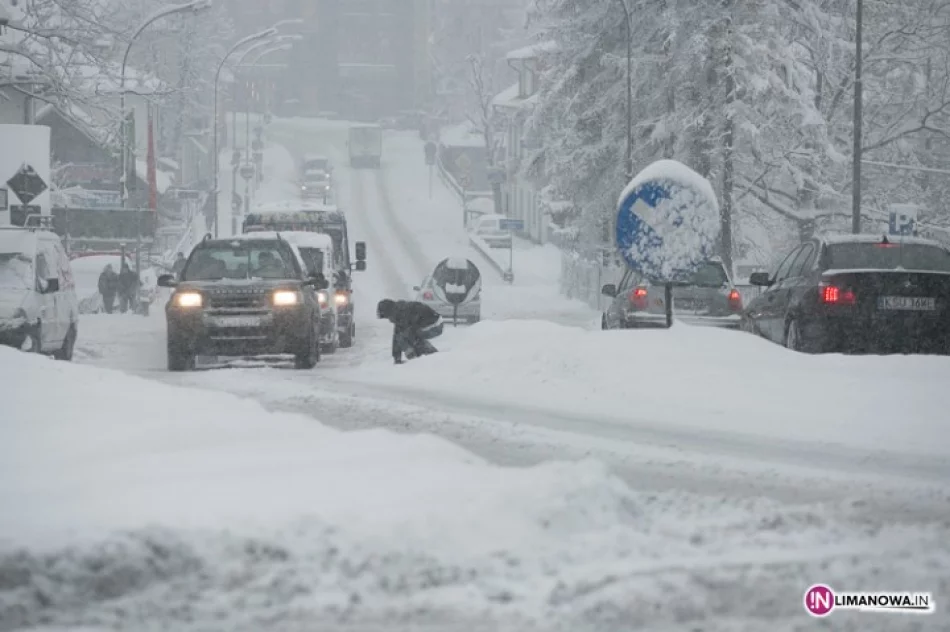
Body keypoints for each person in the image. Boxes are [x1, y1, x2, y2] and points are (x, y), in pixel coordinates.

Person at [376, 299, 443, 364]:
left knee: (409, 334)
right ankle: (419, 355)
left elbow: (413, 329)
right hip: (428, 325)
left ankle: (428, 353)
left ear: (389, 312)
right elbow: (396, 337)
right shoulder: (399, 314)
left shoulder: (404, 311)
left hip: (435, 325)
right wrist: (397, 358)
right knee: (403, 335)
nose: (389, 319)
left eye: (387, 317)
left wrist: (413, 347)